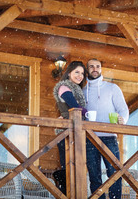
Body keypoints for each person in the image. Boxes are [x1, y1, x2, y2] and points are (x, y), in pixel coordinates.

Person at [83, 58, 129, 199]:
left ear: (101, 69)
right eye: (91, 66)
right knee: (94, 176)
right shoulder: (82, 91)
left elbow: (123, 109)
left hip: (109, 137)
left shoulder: (112, 88)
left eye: (98, 66)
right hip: (89, 139)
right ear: (87, 69)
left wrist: (123, 119)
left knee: (114, 173)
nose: (95, 69)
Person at [53, 60, 87, 194]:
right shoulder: (64, 87)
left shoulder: (77, 89)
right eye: (76, 72)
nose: (80, 76)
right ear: (68, 73)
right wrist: (88, 114)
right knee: (68, 165)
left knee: (75, 166)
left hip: (76, 130)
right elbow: (75, 107)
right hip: (66, 131)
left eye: (82, 73)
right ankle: (64, 192)